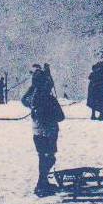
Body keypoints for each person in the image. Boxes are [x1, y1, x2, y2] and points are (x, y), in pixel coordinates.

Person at [23, 63, 65, 196]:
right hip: (50, 132)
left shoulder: (33, 96)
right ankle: (41, 184)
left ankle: (43, 183)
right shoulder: (49, 99)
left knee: (42, 157)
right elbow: (61, 117)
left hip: (37, 131)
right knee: (50, 158)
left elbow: (24, 100)